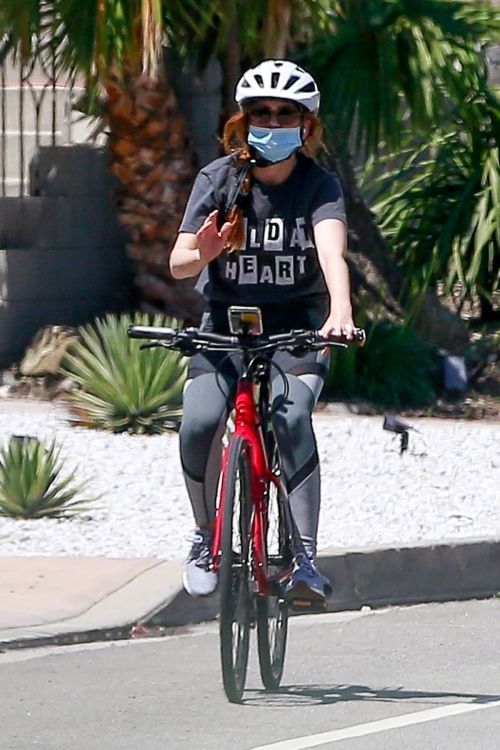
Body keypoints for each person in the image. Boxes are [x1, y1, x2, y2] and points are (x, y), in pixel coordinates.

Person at [169, 59, 355, 604]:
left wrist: (338, 312)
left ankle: (303, 560)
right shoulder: (218, 179)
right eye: (261, 113)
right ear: (242, 119)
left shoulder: (318, 185)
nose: (271, 122)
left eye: (285, 113)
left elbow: (332, 253)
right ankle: (206, 538)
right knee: (200, 422)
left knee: (291, 416)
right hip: (223, 327)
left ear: (306, 125)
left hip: (296, 330)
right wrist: (203, 249)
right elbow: (180, 262)